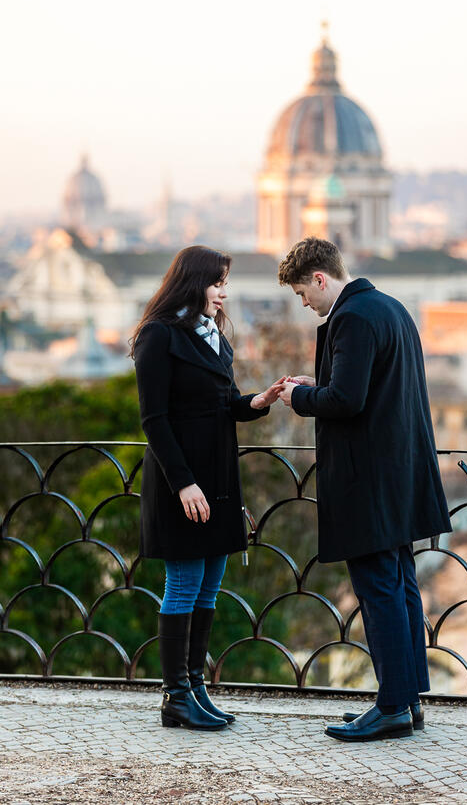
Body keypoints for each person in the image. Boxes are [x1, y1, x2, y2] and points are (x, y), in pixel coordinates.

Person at [277, 237, 451, 742]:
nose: (304, 305)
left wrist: (298, 396)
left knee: (378, 591)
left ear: (320, 279)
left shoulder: (351, 318)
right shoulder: (392, 307)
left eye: (302, 294)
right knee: (401, 586)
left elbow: (346, 400)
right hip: (402, 472)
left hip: (368, 479)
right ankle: (407, 699)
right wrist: (319, 386)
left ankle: (393, 705)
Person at [132, 246, 284, 731]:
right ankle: (175, 697)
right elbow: (154, 420)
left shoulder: (213, 336)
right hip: (185, 483)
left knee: (209, 589)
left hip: (219, 481)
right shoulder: (159, 336)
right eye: (216, 282)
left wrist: (257, 401)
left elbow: (222, 406)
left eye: (225, 283)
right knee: (182, 587)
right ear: (193, 282)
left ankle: (195, 687)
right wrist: (183, 485)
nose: (223, 292)